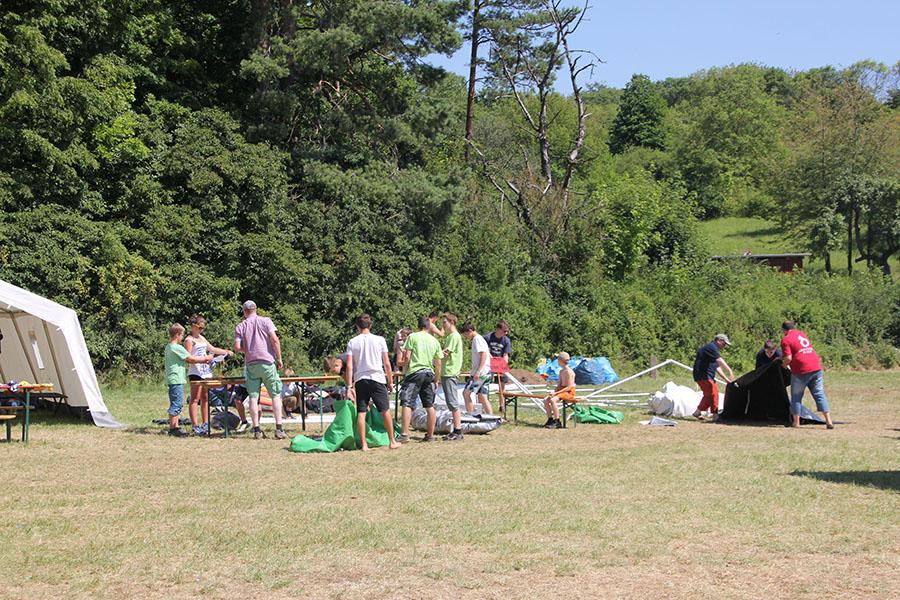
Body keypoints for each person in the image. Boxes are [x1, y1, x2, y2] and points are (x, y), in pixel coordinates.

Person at [344, 314, 401, 451]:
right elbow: (387, 363)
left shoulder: (352, 342)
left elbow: (350, 366)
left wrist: (349, 386)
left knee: (362, 412)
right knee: (385, 410)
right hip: (377, 377)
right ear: (370, 325)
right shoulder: (380, 340)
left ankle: (364, 444)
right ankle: (392, 441)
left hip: (360, 379)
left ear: (357, 326)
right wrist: (390, 381)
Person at [233, 300, 286, 440]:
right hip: (267, 362)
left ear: (244, 312)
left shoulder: (240, 326)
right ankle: (279, 428)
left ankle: (256, 429)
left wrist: (249, 350)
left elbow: (237, 347)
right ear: (256, 309)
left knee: (253, 397)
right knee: (275, 394)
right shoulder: (266, 321)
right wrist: (279, 358)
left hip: (251, 364)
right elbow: (274, 339)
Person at [184, 314, 235, 435]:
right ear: (193, 326)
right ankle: (195, 425)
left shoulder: (202, 338)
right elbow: (188, 358)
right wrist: (204, 359)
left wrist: (226, 352)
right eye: (200, 327)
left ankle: (205, 423)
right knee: (195, 399)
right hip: (195, 372)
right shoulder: (189, 340)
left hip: (206, 372)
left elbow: (213, 349)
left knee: (205, 398)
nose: (201, 330)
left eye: (203, 328)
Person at [780, 320, 834, 429]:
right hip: (816, 367)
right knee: (819, 394)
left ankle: (796, 423)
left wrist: (784, 364)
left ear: (784, 330)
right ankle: (829, 421)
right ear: (794, 327)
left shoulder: (786, 339)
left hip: (801, 370)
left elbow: (788, 357)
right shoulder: (802, 334)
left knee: (796, 396)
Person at [398, 316, 443, 443]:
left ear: (418, 325)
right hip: (429, 373)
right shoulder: (434, 341)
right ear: (428, 326)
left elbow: (407, 356)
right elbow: (438, 363)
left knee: (407, 403)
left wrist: (405, 371)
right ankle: (430, 435)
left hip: (415, 372)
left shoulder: (413, 337)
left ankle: (405, 434)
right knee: (429, 405)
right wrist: (436, 379)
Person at [165, 323, 214, 437]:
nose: (183, 337)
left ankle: (175, 426)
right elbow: (191, 358)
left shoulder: (169, 346)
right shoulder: (177, 347)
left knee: (176, 402)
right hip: (176, 379)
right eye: (181, 335)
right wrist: (206, 358)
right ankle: (173, 428)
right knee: (177, 404)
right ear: (177, 335)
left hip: (174, 378)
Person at [691, 334, 735, 420]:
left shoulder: (711, 352)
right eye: (724, 344)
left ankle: (697, 412)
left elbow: (717, 367)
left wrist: (726, 379)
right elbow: (719, 360)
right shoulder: (711, 348)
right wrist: (730, 371)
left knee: (708, 395)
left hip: (704, 375)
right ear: (719, 340)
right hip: (703, 375)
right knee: (713, 394)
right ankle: (715, 415)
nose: (725, 346)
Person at [439, 313, 464, 441]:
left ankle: (458, 431)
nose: (443, 325)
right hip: (447, 372)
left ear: (451, 322)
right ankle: (455, 430)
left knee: (453, 403)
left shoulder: (454, 337)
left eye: (444, 322)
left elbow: (445, 353)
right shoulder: (451, 337)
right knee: (451, 402)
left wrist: (433, 356)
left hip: (450, 372)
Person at [461, 321, 492, 415]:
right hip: (485, 372)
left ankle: (470, 415)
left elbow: (484, 354)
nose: (465, 337)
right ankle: (491, 417)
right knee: (482, 396)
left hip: (480, 374)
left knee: (466, 394)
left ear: (470, 331)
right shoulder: (479, 339)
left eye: (465, 334)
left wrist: (478, 371)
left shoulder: (477, 339)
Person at [543, 352, 576, 429]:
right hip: (562, 391)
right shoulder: (561, 371)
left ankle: (557, 421)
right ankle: (550, 419)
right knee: (546, 400)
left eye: (558, 359)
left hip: (569, 392)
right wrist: (554, 391)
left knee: (553, 400)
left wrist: (556, 393)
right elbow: (559, 385)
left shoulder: (569, 371)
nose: (557, 361)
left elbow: (569, 387)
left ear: (561, 360)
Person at [485, 320, 512, 411]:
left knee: (502, 385)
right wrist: (492, 360)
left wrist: (503, 364)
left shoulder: (506, 340)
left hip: (500, 362)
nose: (506, 333)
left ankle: (502, 405)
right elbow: (486, 352)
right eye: (504, 331)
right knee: (486, 383)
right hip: (489, 362)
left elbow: (505, 354)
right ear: (498, 329)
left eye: (507, 331)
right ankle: (485, 404)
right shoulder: (488, 337)